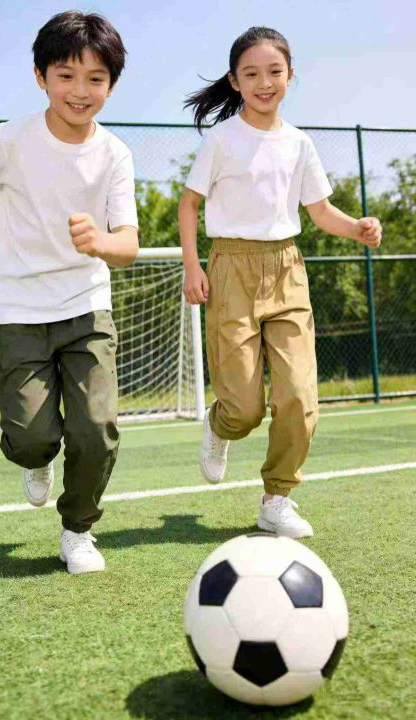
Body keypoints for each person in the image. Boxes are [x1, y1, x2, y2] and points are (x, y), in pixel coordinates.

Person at [0, 11, 139, 573]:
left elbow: (129, 244)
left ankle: (78, 530)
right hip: (19, 309)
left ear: (112, 85)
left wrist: (100, 241)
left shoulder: (115, 154)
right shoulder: (13, 139)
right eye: (66, 75)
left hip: (86, 306)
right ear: (40, 76)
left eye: (95, 78)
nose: (80, 90)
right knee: (30, 438)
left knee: (96, 430)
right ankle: (36, 456)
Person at [178, 26, 382, 538]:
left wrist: (357, 227)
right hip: (231, 269)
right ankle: (219, 424)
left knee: (299, 396)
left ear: (291, 75)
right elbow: (189, 204)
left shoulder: (299, 143)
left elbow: (320, 211)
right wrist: (192, 266)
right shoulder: (221, 140)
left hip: (288, 269)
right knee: (243, 410)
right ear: (235, 81)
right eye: (251, 74)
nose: (264, 82)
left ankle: (277, 498)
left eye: (274, 71)